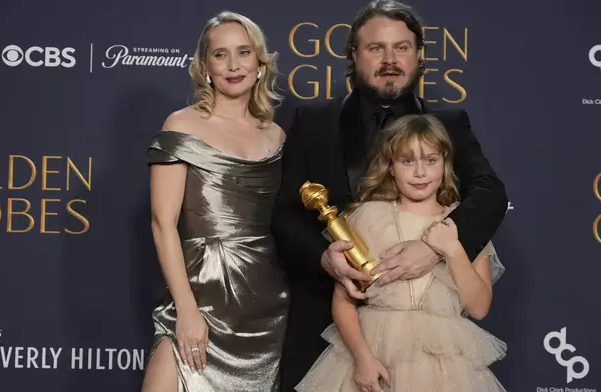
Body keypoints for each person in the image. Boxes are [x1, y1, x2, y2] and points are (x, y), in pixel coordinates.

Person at [271, 1, 508, 390]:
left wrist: (435, 245)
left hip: (428, 348)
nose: (390, 59)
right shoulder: (313, 122)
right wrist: (324, 258)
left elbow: (489, 192)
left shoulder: (449, 124)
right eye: (376, 48)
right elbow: (285, 214)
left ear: (419, 55)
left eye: (401, 47)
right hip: (326, 329)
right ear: (353, 54)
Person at [295, 114, 507, 392]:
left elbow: (479, 308)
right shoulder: (368, 218)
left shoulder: (462, 224)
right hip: (374, 353)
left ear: (445, 164)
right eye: (407, 161)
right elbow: (344, 301)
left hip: (444, 367)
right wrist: (362, 359)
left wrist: (453, 249)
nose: (420, 172)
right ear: (390, 167)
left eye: (430, 160)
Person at [141, 11, 288, 392]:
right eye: (220, 55)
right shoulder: (182, 125)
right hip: (199, 292)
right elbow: (162, 223)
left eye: (244, 52)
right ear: (205, 66)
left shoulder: (276, 136)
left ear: (259, 63)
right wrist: (187, 311)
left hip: (264, 304)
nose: (234, 65)